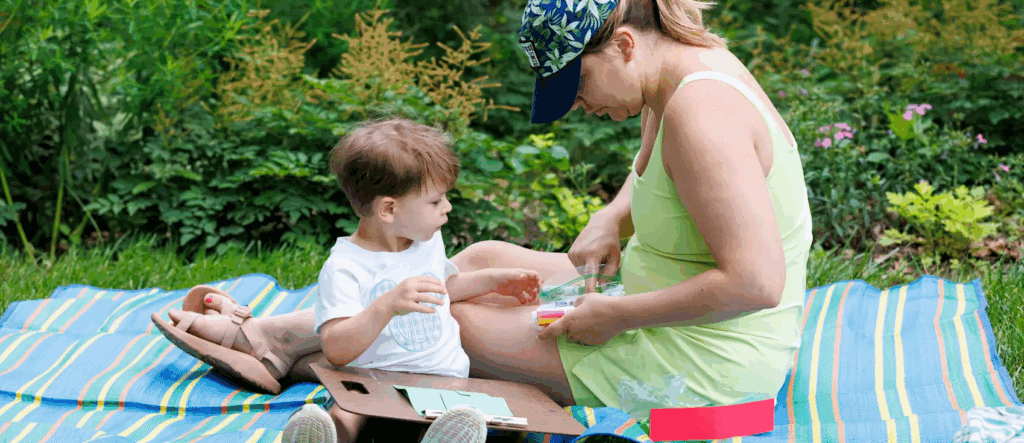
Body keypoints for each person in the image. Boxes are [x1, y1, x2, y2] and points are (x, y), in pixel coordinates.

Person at [156, 0, 813, 434]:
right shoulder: (680, 75)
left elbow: (756, 282)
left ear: (623, 45)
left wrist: (615, 314)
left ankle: (284, 346)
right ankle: (288, 339)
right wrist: (616, 215)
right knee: (472, 262)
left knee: (452, 317)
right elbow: (675, 178)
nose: (578, 105)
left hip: (712, 358)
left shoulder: (701, 115)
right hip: (658, 286)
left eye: (577, 85)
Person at [153, 118, 541, 443]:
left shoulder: (426, 241)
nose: (448, 207)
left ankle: (443, 434)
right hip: (373, 383)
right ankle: (323, 436)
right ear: (388, 209)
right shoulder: (345, 266)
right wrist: (386, 304)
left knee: (478, 419)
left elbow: (441, 291)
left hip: (445, 383)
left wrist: (492, 281)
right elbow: (336, 347)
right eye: (436, 201)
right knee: (347, 415)